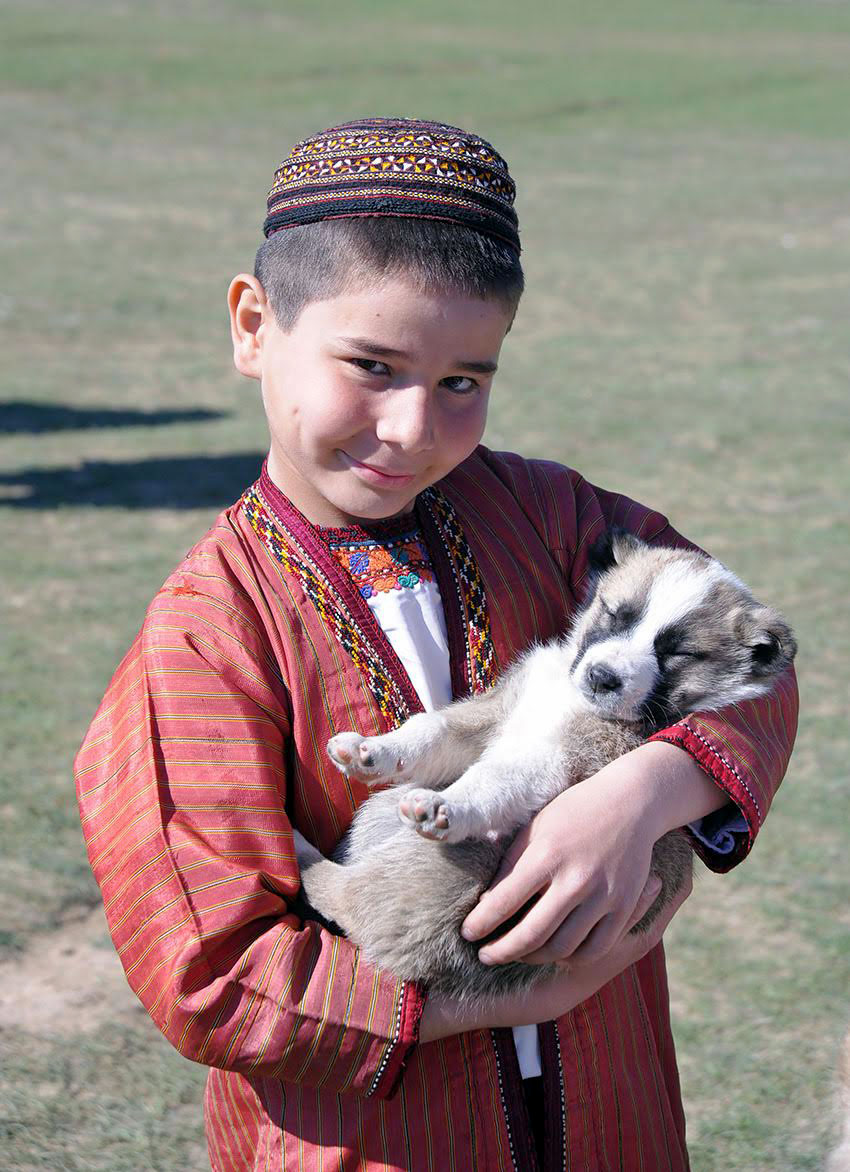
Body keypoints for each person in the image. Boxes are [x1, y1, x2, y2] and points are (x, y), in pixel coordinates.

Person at [75, 117, 798, 1171]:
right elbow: (210, 969)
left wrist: (642, 794)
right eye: (370, 364)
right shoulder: (204, 632)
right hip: (381, 1143)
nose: (414, 426)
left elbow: (755, 666)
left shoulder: (552, 515)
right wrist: (514, 993)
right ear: (251, 324)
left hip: (613, 1114)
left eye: (463, 378)